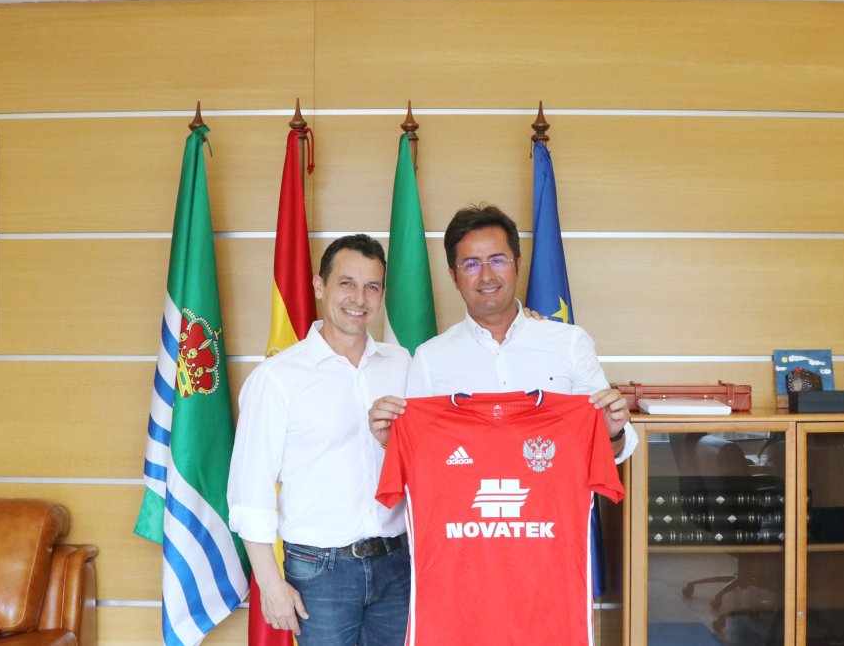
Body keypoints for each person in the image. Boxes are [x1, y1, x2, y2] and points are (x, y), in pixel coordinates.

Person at [228, 234, 411, 645]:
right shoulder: (276, 378)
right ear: (319, 285)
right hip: (320, 572)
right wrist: (270, 584)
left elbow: (426, 454)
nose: (359, 298)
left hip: (396, 564)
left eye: (372, 286)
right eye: (347, 283)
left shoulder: (402, 365)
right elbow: (249, 490)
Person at [369, 204, 636, 463]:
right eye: (471, 264)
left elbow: (614, 450)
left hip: (556, 495)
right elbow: (419, 453)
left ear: (517, 264)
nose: (486, 276)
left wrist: (613, 433)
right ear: (453, 276)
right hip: (466, 495)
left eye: (497, 261)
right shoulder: (429, 358)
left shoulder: (570, 342)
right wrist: (390, 439)